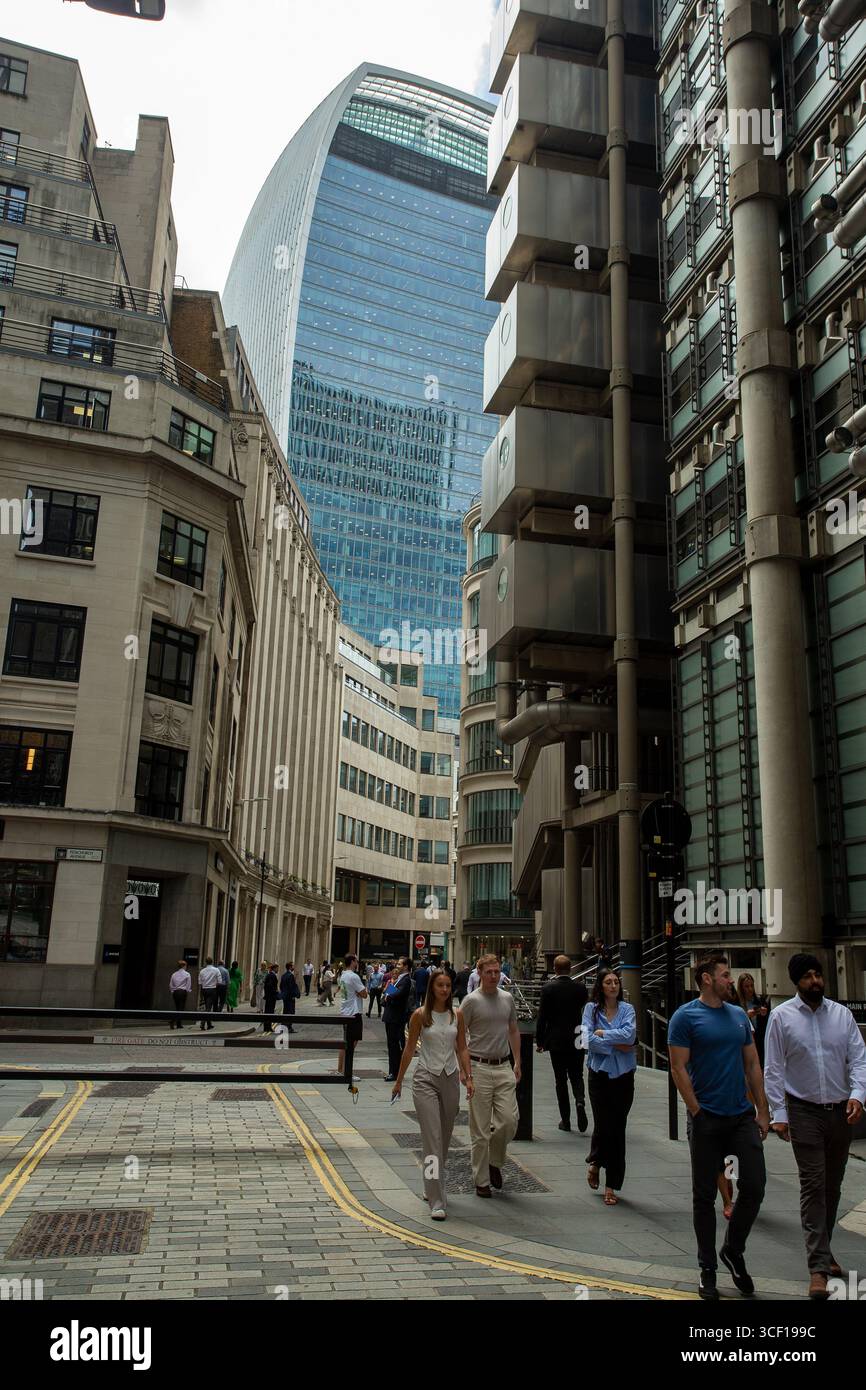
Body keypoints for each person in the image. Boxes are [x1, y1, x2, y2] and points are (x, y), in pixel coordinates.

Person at [764, 952, 866, 1300]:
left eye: (818, 974)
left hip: (840, 1112)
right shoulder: (781, 1018)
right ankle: (818, 1270)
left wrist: (858, 1095)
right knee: (813, 1186)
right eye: (808, 976)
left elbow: (858, 1059)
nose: (816, 981)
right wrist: (778, 1113)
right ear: (796, 981)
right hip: (803, 1111)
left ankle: (825, 1252)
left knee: (832, 1187)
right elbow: (773, 1068)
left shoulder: (842, 1015)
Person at [669, 953, 769, 1302]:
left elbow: (753, 1063)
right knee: (704, 1197)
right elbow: (678, 1068)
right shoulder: (685, 1017)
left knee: (754, 1185)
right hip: (706, 1117)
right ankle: (707, 1267)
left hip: (741, 1116)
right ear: (708, 979)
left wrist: (763, 1110)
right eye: (726, 975)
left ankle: (733, 1249)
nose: (731, 980)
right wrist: (696, 1111)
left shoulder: (739, 1016)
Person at [392, 968, 472, 1220]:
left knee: (445, 1137)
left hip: (449, 1079)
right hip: (425, 1078)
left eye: (448, 986)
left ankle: (431, 1183)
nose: (445, 990)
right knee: (432, 1139)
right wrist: (398, 1081)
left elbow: (462, 1049)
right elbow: (408, 1050)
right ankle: (437, 1199)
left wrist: (468, 1077)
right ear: (432, 988)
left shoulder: (456, 1015)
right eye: (440, 985)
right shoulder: (419, 1015)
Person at [459, 953, 521, 1198]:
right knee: (481, 1130)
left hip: (504, 1066)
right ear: (480, 973)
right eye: (489, 972)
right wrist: (465, 1071)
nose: (494, 976)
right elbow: (460, 1038)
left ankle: (494, 1161)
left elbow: (514, 1030)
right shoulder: (470, 1001)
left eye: (497, 972)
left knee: (509, 1121)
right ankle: (481, 1180)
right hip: (479, 1067)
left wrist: (518, 1062)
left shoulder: (507, 998)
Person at [581, 969, 636, 1205]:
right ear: (600, 986)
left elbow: (630, 1035)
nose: (613, 985)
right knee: (604, 1124)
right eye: (608, 982)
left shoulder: (628, 1009)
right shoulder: (590, 1009)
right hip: (599, 1075)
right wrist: (616, 1043)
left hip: (623, 1077)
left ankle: (611, 1184)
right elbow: (585, 1039)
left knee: (617, 1129)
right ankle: (595, 1162)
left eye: (616, 982)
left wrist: (604, 1034)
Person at [536, 955, 588, 1133]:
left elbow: (542, 1016)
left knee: (560, 1079)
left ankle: (565, 1119)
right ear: (570, 968)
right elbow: (584, 1008)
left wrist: (540, 1040)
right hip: (576, 1036)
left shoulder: (548, 988)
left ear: (555, 969)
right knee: (577, 1074)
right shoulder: (580, 988)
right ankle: (580, 1100)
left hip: (556, 1039)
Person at [336, 954, 367, 1075]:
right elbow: (364, 994)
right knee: (351, 1043)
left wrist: (357, 992)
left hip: (345, 1011)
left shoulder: (342, 975)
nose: (357, 963)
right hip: (354, 1012)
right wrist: (360, 992)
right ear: (353, 961)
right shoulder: (354, 976)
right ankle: (346, 1071)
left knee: (346, 1042)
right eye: (356, 961)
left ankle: (341, 1069)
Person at [383, 956, 413, 1081]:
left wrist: (388, 997)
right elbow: (387, 993)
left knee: (394, 1045)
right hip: (391, 1016)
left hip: (396, 1017)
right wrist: (386, 997)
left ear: (406, 966)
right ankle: (393, 1071)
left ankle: (394, 1072)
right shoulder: (398, 979)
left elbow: (397, 994)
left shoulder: (406, 980)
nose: (397, 966)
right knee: (392, 1045)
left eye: (400, 964)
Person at [737, 973, 770, 1066]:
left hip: (760, 1040)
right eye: (746, 986)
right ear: (741, 987)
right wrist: (746, 1016)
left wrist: (764, 1014)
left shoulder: (760, 1000)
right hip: (744, 1040)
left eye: (751, 985)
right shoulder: (737, 1003)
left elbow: (766, 1024)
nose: (750, 989)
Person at [198, 958, 221, 1030]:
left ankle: (209, 1024)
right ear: (212, 962)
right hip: (212, 989)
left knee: (207, 1006)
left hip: (204, 990)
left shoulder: (202, 971)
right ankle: (202, 1023)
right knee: (208, 1008)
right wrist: (214, 985)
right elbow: (219, 981)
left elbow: (200, 982)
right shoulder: (216, 970)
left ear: (206, 962)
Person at [169, 959, 191, 1028]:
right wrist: (187, 991)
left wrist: (173, 991)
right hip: (182, 992)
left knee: (177, 1007)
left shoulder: (174, 974)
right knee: (181, 1009)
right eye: (186, 966)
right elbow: (188, 985)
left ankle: (178, 1024)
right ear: (184, 966)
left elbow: (171, 985)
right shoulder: (187, 974)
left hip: (175, 992)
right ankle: (173, 1021)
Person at [279, 962, 299, 1033]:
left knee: (285, 1011)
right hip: (290, 997)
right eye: (293, 966)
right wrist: (293, 995)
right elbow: (292, 987)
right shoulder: (290, 975)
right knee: (290, 1012)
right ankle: (289, 1027)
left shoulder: (283, 975)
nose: (293, 967)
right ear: (290, 967)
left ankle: (283, 1027)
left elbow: (281, 986)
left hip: (285, 996)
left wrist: (283, 993)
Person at [262, 963, 280, 1033]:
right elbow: (269, 986)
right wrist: (275, 992)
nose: (278, 970)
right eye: (277, 968)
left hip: (269, 997)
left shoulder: (269, 975)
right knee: (270, 1012)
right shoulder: (272, 976)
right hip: (271, 997)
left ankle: (266, 1027)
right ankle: (268, 1027)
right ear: (274, 968)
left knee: (268, 1011)